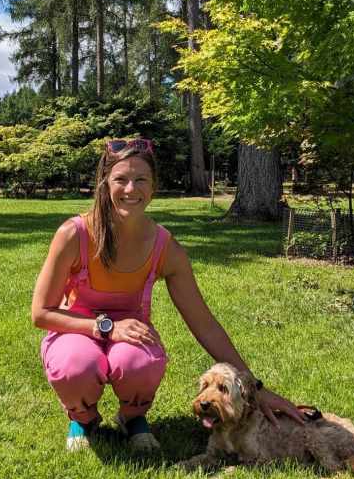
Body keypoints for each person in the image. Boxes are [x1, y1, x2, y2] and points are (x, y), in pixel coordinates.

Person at [31, 138, 305, 452]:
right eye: (120, 179)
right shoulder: (74, 234)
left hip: (131, 336)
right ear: (104, 183)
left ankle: (132, 417)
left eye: (141, 180)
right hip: (75, 329)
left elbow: (204, 323)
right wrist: (105, 326)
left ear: (153, 186)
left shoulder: (164, 247)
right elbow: (41, 312)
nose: (131, 190)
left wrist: (254, 388)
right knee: (76, 363)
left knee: (137, 362)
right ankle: (84, 418)